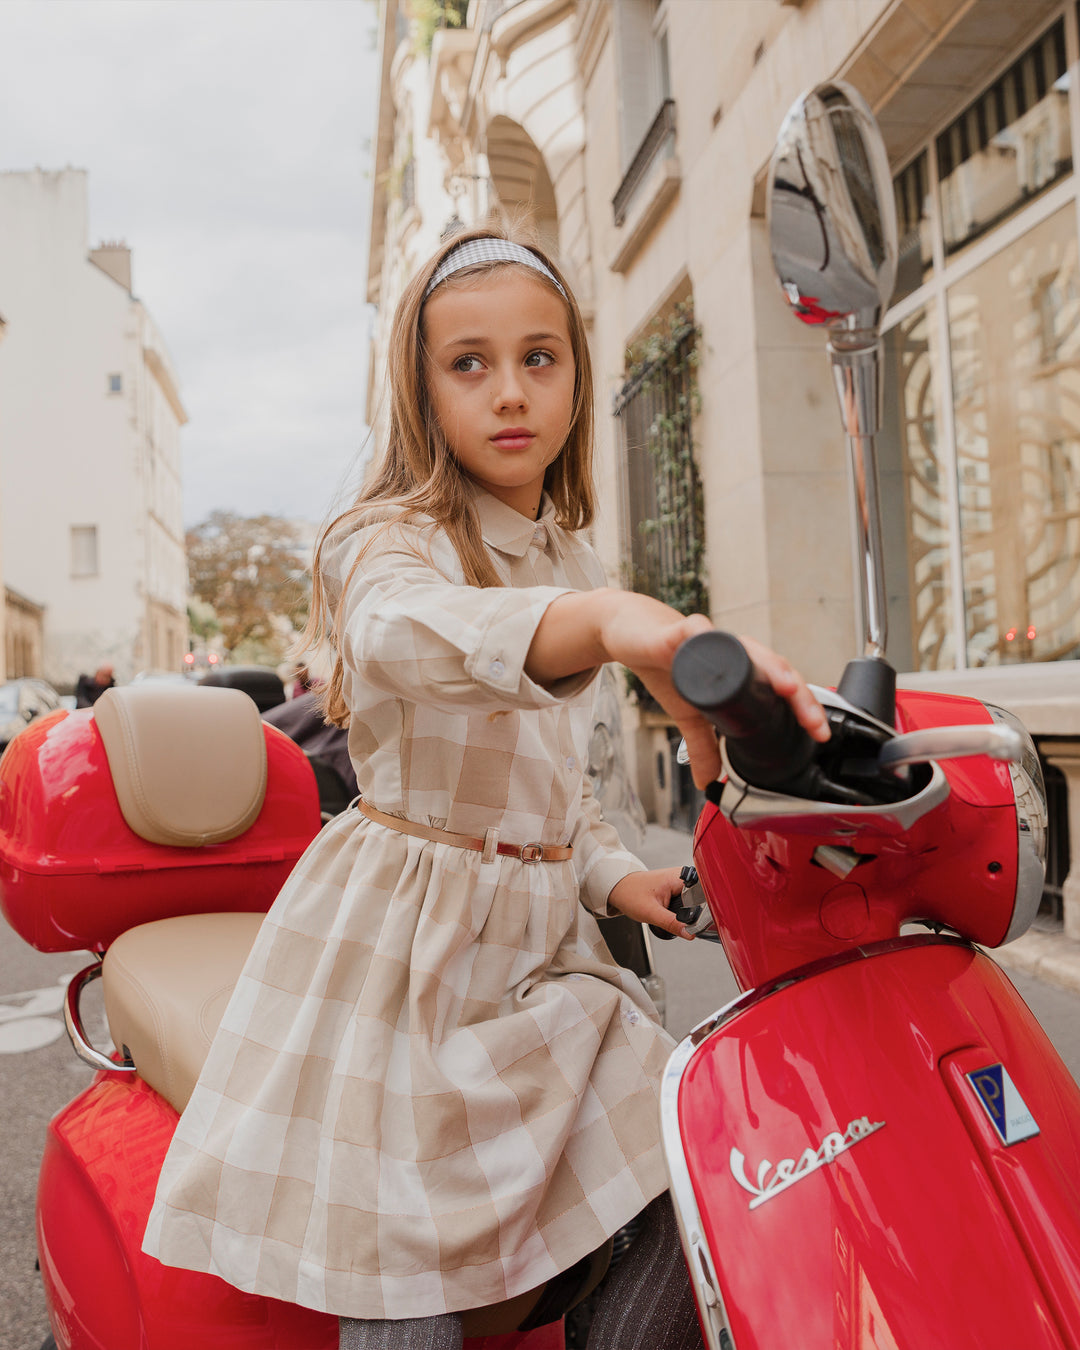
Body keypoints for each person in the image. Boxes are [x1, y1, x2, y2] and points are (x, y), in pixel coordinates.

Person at [142, 227, 829, 1349]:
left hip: (545, 955)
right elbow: (403, 633)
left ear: (576, 374)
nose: (510, 392)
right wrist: (613, 625)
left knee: (696, 1156)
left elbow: (565, 780)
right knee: (411, 1281)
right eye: (468, 362)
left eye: (540, 357)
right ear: (421, 388)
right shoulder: (385, 541)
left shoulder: (568, 554)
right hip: (412, 957)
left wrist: (615, 879)